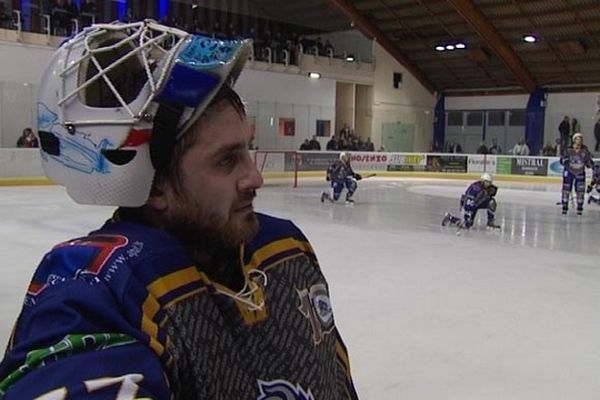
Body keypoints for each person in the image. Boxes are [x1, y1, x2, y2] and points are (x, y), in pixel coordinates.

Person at [0, 20, 358, 399]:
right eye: (226, 161)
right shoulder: (90, 288)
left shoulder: (284, 247)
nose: (255, 177)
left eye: (247, 150)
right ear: (155, 187)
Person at [560, 132, 594, 215]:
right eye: (578, 139)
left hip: (580, 172)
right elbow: (562, 160)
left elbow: (588, 162)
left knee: (580, 190)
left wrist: (591, 164)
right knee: (566, 189)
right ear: (574, 140)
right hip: (569, 171)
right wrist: (565, 160)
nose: (580, 140)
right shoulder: (568, 149)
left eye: (581, 139)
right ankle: (564, 205)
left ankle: (579, 206)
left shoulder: (585, 150)